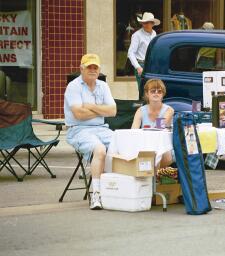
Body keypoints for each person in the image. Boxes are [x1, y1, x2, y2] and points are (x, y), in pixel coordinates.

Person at [64, 53, 117, 210]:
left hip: (101, 129)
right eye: (89, 67)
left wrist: (91, 106)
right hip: (78, 130)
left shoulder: (103, 85)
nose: (92, 70)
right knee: (99, 149)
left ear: (99, 69)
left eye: (95, 67)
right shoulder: (73, 86)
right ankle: (96, 194)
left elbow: (113, 111)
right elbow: (78, 115)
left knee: (122, 144)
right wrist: (102, 111)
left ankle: (117, 189)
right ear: (81, 68)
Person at [131, 79, 174, 168]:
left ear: (163, 94)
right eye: (153, 91)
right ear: (147, 93)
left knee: (161, 154)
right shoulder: (140, 110)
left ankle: (152, 176)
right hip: (146, 144)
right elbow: (133, 132)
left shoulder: (169, 110)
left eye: (159, 91)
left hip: (165, 146)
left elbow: (159, 127)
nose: (156, 93)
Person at [127, 12, 160, 88]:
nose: (145, 24)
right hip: (141, 65)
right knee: (143, 91)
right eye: (144, 23)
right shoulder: (136, 35)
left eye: (148, 23)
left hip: (152, 65)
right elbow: (130, 53)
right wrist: (138, 67)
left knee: (151, 90)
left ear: (152, 24)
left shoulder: (154, 33)